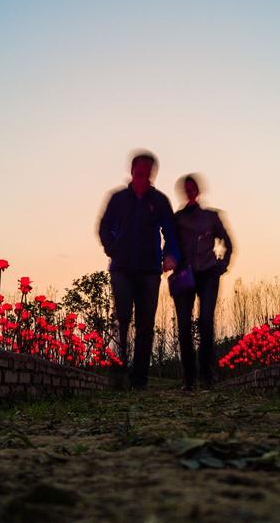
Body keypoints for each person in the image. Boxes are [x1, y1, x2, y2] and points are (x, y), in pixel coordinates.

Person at [98, 151, 180, 390]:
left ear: (153, 173)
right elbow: (104, 226)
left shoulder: (160, 201)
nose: (143, 176)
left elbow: (171, 233)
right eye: (139, 172)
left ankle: (139, 379)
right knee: (122, 317)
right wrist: (112, 248)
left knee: (145, 324)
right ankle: (118, 371)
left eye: (148, 172)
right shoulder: (118, 199)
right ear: (132, 171)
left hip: (149, 272)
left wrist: (170, 255)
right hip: (122, 269)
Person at [172, 174, 233, 391]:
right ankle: (189, 378)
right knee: (184, 326)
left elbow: (228, 242)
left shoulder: (211, 217)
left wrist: (221, 264)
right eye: (186, 188)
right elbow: (169, 244)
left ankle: (207, 375)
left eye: (193, 188)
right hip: (184, 276)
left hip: (208, 273)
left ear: (198, 190)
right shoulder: (177, 218)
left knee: (206, 322)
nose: (190, 191)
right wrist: (170, 259)